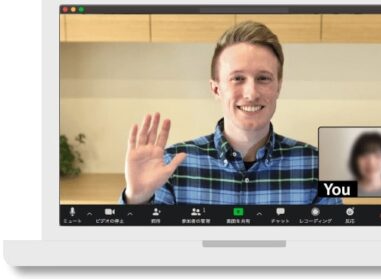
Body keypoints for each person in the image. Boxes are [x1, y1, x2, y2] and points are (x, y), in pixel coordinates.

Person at [119, 21, 342, 205]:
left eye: (263, 78)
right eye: (237, 78)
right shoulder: (171, 165)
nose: (251, 93)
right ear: (216, 88)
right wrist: (136, 199)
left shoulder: (319, 166)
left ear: (278, 86)